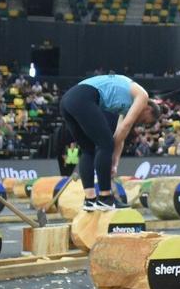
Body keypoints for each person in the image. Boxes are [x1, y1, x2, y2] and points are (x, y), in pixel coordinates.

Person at [59, 74, 159, 210]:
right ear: (148, 109)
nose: (140, 122)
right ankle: (105, 198)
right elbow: (125, 126)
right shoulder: (142, 96)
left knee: (88, 149)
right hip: (82, 97)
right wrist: (108, 153)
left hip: (67, 100)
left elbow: (120, 133)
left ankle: (90, 200)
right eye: (144, 120)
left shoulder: (127, 105)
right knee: (105, 144)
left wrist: (114, 163)